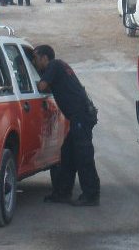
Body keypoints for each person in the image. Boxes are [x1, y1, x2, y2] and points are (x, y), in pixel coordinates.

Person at [33, 44, 100, 206]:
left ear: (44, 58)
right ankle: (62, 193)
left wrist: (29, 81)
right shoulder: (59, 66)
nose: (34, 63)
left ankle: (91, 195)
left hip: (80, 116)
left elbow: (42, 86)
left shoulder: (54, 65)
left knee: (83, 155)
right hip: (80, 116)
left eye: (35, 59)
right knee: (68, 154)